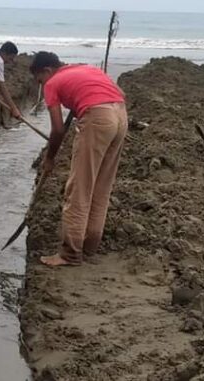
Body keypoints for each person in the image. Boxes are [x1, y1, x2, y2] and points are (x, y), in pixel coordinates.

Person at [30, 52, 127, 267]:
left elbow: (57, 129)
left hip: (98, 118)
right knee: (101, 186)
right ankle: (90, 245)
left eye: (39, 79)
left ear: (46, 71)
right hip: (120, 115)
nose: (41, 85)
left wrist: (50, 158)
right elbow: (120, 93)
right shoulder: (86, 68)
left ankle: (70, 254)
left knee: (79, 188)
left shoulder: (52, 83)